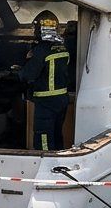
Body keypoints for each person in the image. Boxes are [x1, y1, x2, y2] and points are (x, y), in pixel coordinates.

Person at [19, 11, 73, 151]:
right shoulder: (63, 47)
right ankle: (58, 162)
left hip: (45, 103)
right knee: (56, 135)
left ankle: (45, 162)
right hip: (62, 101)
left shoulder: (41, 50)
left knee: (43, 140)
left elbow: (28, 75)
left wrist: (22, 67)